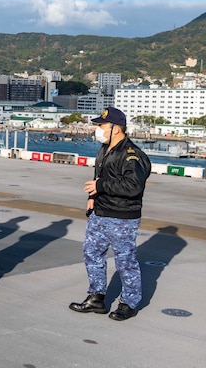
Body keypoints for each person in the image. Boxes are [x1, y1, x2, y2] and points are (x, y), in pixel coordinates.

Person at [69, 107, 151, 321]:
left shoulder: (132, 155)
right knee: (92, 254)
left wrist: (100, 185)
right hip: (100, 213)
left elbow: (133, 186)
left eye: (102, 125)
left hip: (122, 217)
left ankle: (129, 302)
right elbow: (100, 176)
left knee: (125, 261)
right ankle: (96, 297)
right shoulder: (105, 150)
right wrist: (93, 197)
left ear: (116, 128)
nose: (98, 129)